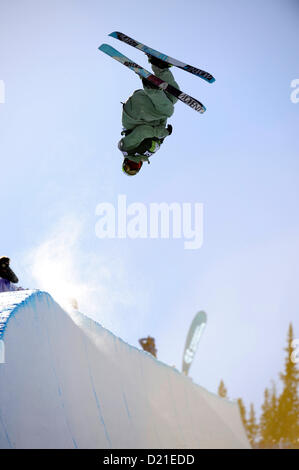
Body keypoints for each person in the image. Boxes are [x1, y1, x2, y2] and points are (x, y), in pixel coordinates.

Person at [119, 56, 180, 176]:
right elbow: (160, 122)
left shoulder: (127, 148)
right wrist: (163, 132)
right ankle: (159, 66)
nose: (133, 165)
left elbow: (142, 132)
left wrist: (162, 133)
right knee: (172, 96)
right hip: (148, 109)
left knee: (168, 111)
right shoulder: (148, 153)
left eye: (129, 166)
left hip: (135, 114)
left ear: (125, 162)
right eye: (135, 168)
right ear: (140, 167)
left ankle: (151, 87)